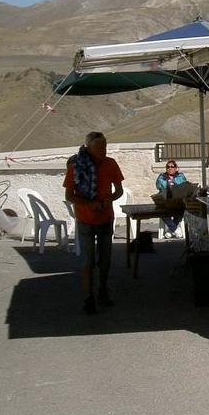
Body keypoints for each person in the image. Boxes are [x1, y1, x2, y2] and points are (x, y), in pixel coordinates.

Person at [63, 131, 124, 315]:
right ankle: (88, 296)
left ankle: (102, 291)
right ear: (89, 148)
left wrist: (109, 199)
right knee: (88, 260)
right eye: (100, 147)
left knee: (105, 259)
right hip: (86, 220)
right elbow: (69, 194)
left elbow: (119, 190)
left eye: (105, 146)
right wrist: (90, 203)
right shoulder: (77, 165)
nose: (104, 150)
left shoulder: (110, 164)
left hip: (105, 218)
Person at [156, 160, 186, 238]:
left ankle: (170, 230)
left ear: (176, 168)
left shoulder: (180, 176)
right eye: (168, 167)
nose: (170, 168)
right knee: (161, 212)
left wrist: (173, 184)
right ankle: (175, 229)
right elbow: (158, 186)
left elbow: (183, 186)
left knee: (181, 211)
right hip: (166, 200)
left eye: (172, 167)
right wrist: (167, 182)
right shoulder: (162, 176)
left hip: (177, 199)